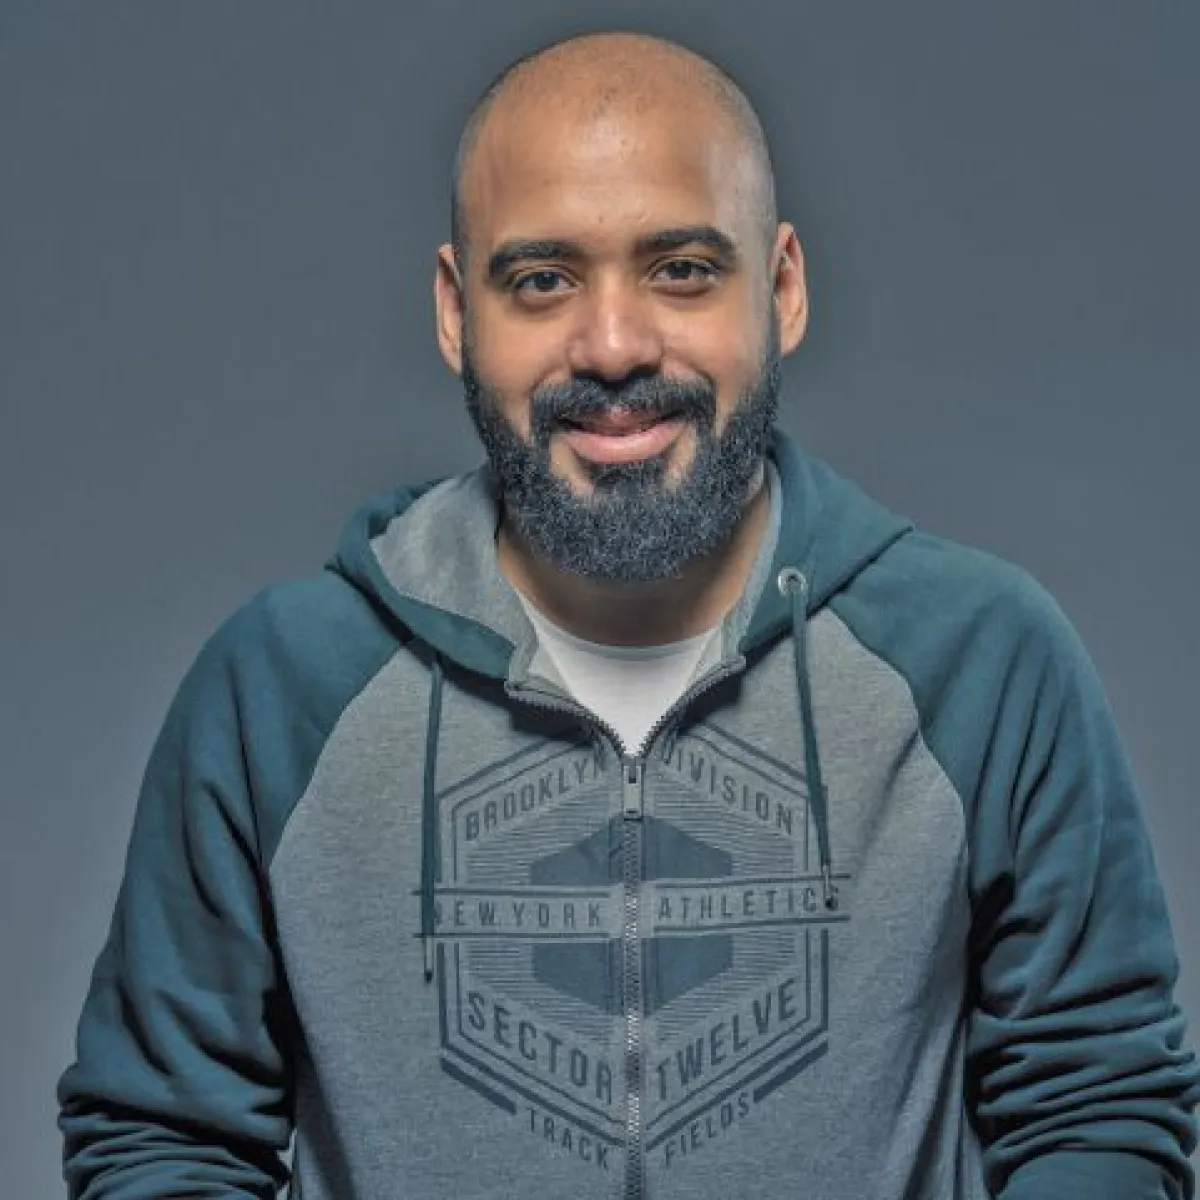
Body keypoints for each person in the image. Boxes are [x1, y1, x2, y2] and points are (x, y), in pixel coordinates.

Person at [56, 28, 1199, 1200]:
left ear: (782, 289)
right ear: (456, 311)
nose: (612, 346)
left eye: (683, 269)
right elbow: (163, 1138)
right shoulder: (278, 692)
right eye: (542, 280)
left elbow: (1100, 1106)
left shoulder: (983, 664)